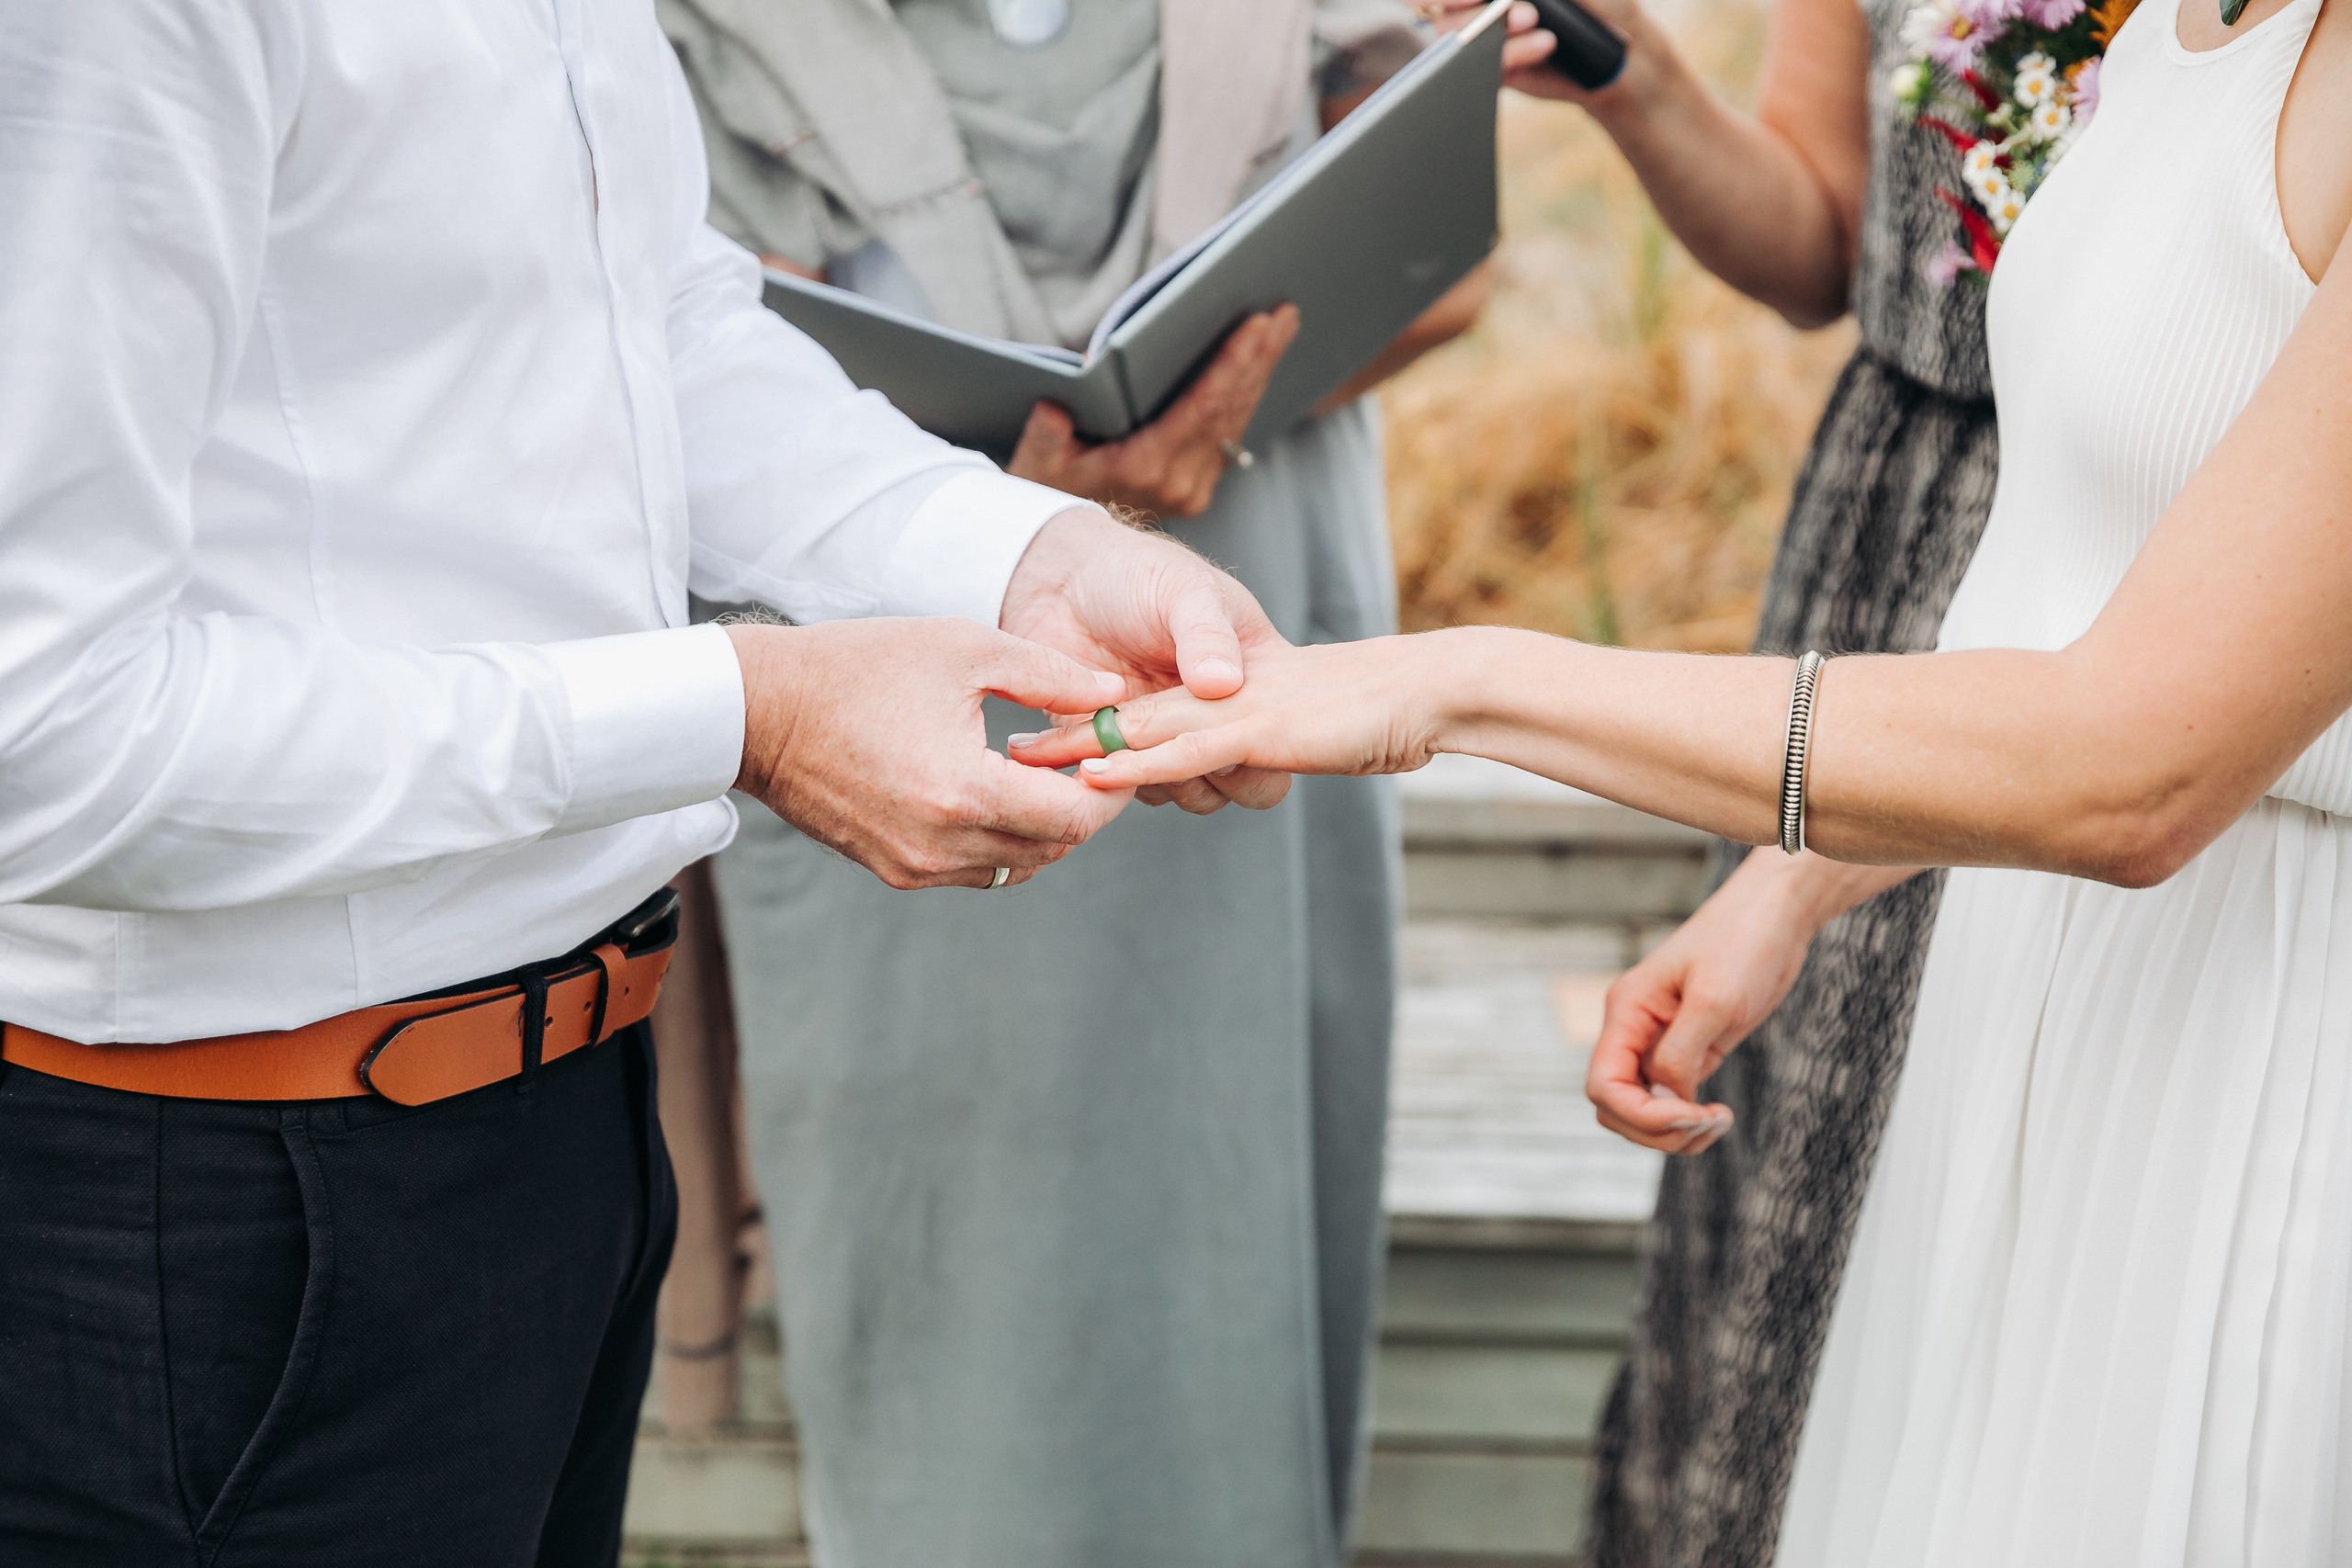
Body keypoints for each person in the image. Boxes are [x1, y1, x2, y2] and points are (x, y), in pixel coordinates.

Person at [1028, 0, 2352, 1556]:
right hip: (2032, 1018)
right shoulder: (2176, 31)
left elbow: (2140, 767)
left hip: (2258, 1046)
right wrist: (1796, 880)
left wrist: (1455, 678)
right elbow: (2071, 569)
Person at [0, 4, 1283, 1563]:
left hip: (561, 1129)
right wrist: (741, 714)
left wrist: (1022, 555)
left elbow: (653, 320)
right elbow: (44, 735)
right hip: (218, 1202)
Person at [650, 4, 1485, 1564]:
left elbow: (1447, 239)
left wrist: (1238, 379)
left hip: (1248, 604)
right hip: (903, 670)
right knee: (953, 1285)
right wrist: (998, 506)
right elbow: (684, 352)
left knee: (1251, 1228)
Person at [1430, 0, 2007, 1552]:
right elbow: (1821, 244)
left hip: (2183, 549)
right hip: (1900, 523)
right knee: (1801, 1157)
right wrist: (1636, 75)